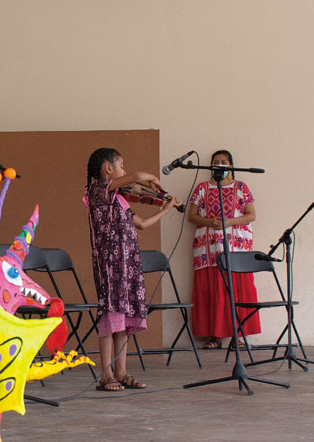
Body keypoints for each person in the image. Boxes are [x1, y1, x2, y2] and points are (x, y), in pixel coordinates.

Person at [85, 148, 181, 391]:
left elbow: (142, 225)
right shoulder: (98, 191)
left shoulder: (119, 199)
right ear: (108, 169)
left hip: (128, 266)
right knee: (109, 315)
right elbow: (137, 175)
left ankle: (121, 372)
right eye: (121, 165)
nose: (124, 171)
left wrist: (167, 208)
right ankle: (105, 375)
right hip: (109, 266)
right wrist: (153, 178)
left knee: (124, 319)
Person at [188, 149, 259, 349]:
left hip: (236, 246)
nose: (220, 164)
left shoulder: (241, 187)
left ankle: (241, 335)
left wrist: (230, 221)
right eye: (216, 161)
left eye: (224, 161)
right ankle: (214, 336)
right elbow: (191, 216)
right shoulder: (201, 188)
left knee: (237, 289)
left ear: (231, 166)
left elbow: (251, 214)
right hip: (208, 248)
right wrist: (209, 222)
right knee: (211, 289)